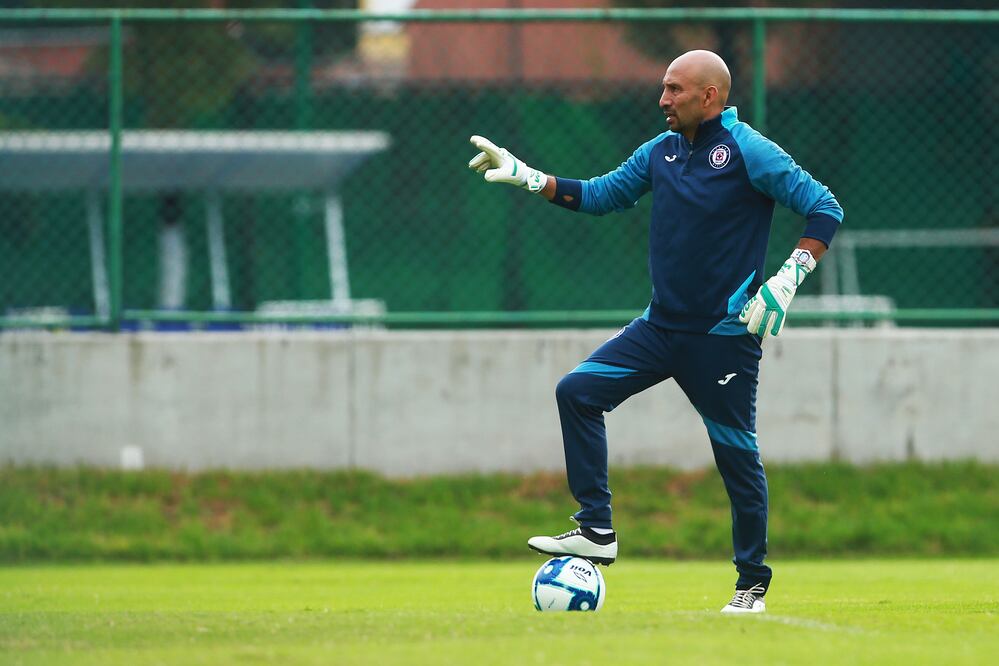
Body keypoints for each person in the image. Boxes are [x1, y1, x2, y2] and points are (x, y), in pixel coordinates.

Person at [467, 50, 842, 614]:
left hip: (722, 338)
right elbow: (598, 196)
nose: (662, 100)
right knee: (577, 392)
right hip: (659, 328)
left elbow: (824, 207)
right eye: (663, 89)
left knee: (736, 456)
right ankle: (596, 529)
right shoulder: (660, 152)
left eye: (674, 90)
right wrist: (526, 175)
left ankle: (751, 584)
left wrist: (789, 277)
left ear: (709, 96)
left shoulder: (749, 151)